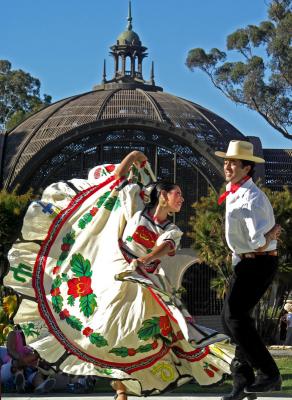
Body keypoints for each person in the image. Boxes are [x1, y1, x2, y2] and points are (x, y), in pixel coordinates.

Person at [4, 150, 233, 397]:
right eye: (177, 193)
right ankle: (120, 388)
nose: (182, 198)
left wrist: (145, 258)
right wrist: (134, 156)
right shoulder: (135, 208)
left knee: (136, 336)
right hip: (115, 272)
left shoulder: (172, 229)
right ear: (163, 196)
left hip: (144, 283)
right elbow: (119, 177)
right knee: (105, 333)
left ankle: (128, 386)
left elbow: (166, 246)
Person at [215, 140, 282, 399]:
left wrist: (269, 237)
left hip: (259, 260)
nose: (227, 166)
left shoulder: (251, 197)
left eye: (233, 163)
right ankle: (243, 383)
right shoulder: (234, 191)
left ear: (247, 168)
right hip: (246, 261)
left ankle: (269, 373)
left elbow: (258, 239)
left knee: (235, 318)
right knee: (231, 320)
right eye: (226, 161)